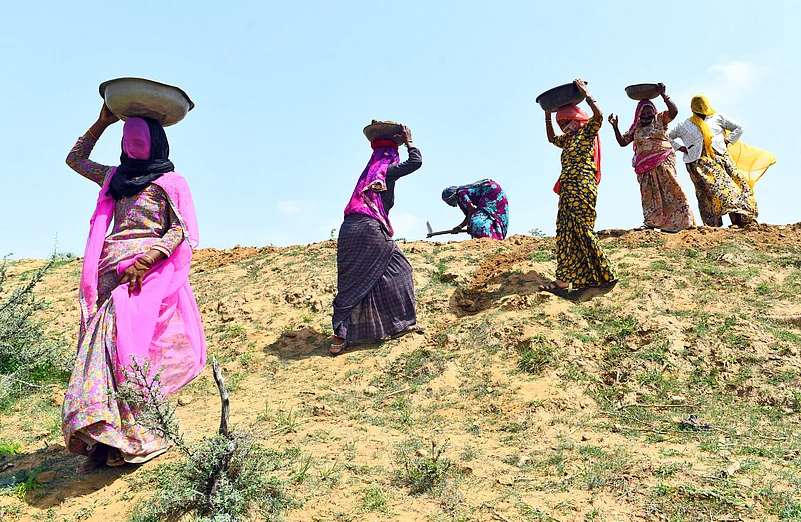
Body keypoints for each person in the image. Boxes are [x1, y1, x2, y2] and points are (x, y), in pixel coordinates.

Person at [62, 104, 206, 472]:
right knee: (110, 350)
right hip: (114, 271)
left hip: (144, 274)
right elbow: (74, 160)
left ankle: (123, 433)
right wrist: (103, 121)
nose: (135, 146)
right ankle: (109, 436)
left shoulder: (162, 182)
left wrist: (148, 259)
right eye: (131, 140)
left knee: (125, 348)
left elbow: (181, 229)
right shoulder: (119, 177)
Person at [330, 122, 424, 355]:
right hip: (369, 227)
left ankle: (340, 338)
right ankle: (400, 323)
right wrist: (410, 142)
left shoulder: (370, 171)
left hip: (349, 227)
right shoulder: (385, 170)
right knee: (400, 270)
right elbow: (416, 163)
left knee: (352, 281)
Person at [539, 79, 617, 295]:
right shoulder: (567, 140)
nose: (564, 126)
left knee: (582, 229)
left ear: (577, 118)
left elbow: (599, 117)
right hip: (567, 190)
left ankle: (603, 274)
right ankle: (563, 279)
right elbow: (550, 138)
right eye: (561, 123)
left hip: (583, 187)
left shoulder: (586, 133)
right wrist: (547, 116)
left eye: (567, 121)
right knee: (564, 233)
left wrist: (585, 92)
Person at [609, 84, 696, 232]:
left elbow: (674, 112)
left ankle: (682, 221)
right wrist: (615, 127)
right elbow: (623, 142)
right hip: (644, 166)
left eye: (649, 112)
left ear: (654, 112)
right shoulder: (635, 128)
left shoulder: (660, 119)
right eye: (643, 113)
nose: (647, 115)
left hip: (664, 160)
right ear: (638, 115)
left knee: (672, 188)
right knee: (649, 193)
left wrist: (664, 95)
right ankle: (651, 222)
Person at [668, 95, 758, 227]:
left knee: (737, 186)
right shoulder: (684, 125)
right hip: (699, 162)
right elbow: (667, 136)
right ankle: (712, 225)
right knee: (710, 192)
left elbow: (739, 128)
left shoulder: (718, 117)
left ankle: (741, 221)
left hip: (722, 158)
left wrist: (727, 141)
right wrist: (681, 148)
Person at [440, 179, 509, 240]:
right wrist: (460, 227)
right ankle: (495, 236)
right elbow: (469, 215)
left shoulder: (459, 193)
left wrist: (469, 225)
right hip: (496, 189)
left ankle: (486, 238)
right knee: (493, 215)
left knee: (477, 220)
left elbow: (471, 209)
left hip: (490, 191)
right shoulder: (461, 194)